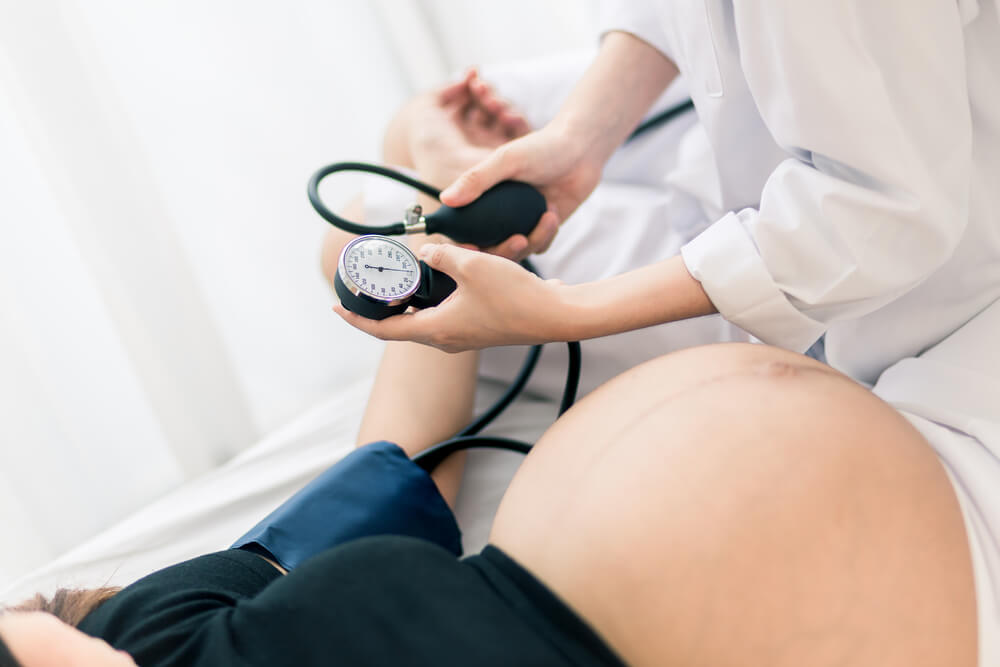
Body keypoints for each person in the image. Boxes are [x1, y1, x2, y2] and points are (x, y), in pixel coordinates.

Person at [330, 2, 1000, 665]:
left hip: (907, 282)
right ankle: (359, 546)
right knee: (386, 187)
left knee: (385, 218)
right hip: (751, 203)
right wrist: (578, 138)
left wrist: (563, 311)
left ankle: (360, 545)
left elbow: (882, 216)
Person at [0, 340, 979, 666]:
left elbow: (392, 467)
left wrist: (428, 228)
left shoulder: (153, 633)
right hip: (928, 554)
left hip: (845, 360)